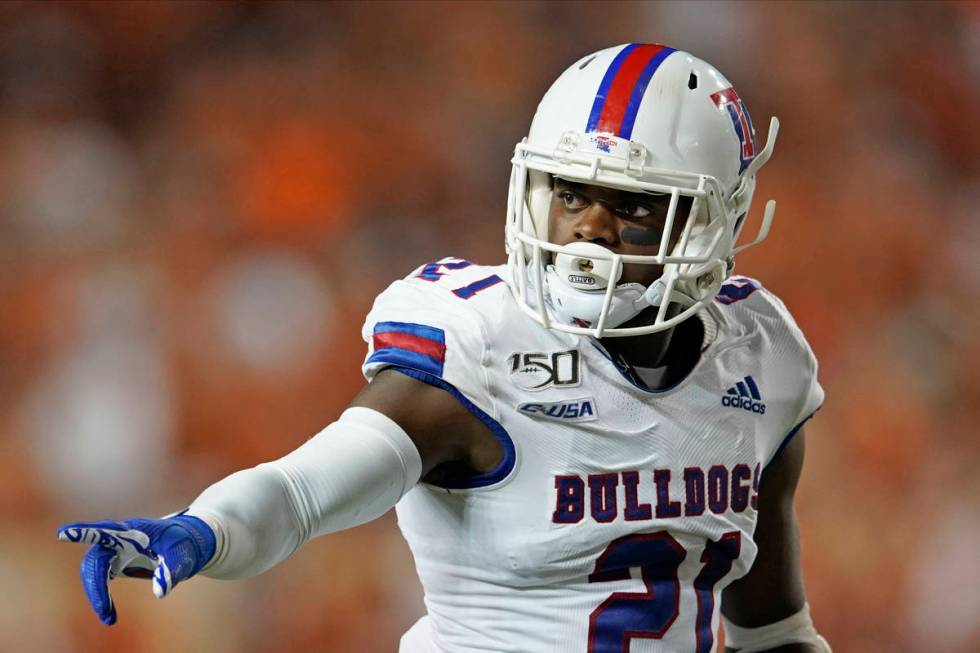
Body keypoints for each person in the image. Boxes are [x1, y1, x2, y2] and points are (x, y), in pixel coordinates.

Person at [58, 43, 831, 652]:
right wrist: (203, 529)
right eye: (569, 192)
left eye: (633, 205)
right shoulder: (482, 342)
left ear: (711, 225)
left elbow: (772, 631)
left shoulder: (760, 358)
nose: (588, 228)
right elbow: (301, 491)